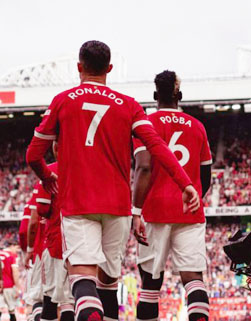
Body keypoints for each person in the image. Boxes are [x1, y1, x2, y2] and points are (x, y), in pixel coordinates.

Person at [26, 40, 200, 321]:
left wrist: (47, 177)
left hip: (78, 203)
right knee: (108, 286)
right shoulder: (129, 105)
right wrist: (186, 183)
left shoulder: (62, 101)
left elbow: (33, 154)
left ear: (79, 67)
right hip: (118, 206)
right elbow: (157, 147)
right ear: (109, 68)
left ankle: (90, 312)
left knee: (82, 279)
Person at [132, 70, 212, 321]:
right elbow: (205, 176)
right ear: (181, 96)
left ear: (155, 95)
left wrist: (136, 211)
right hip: (189, 212)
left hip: (154, 210)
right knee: (193, 278)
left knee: (150, 281)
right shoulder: (198, 127)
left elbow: (143, 168)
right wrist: (194, 198)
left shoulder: (145, 124)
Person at [35, 142, 75, 321]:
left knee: (50, 295)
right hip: (79, 240)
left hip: (56, 241)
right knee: (70, 299)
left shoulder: (50, 170)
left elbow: (42, 208)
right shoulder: (82, 170)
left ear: (56, 148)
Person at [24, 190, 46, 321]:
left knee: (39, 296)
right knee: (66, 301)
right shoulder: (71, 176)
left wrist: (29, 249)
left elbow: (31, 224)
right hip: (68, 247)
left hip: (43, 247)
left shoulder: (42, 185)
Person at [0, 242, 20, 321]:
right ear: (12, 246)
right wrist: (17, 287)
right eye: (16, 248)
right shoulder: (12, 256)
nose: (17, 251)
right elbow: (15, 272)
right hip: (9, 286)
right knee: (11, 310)